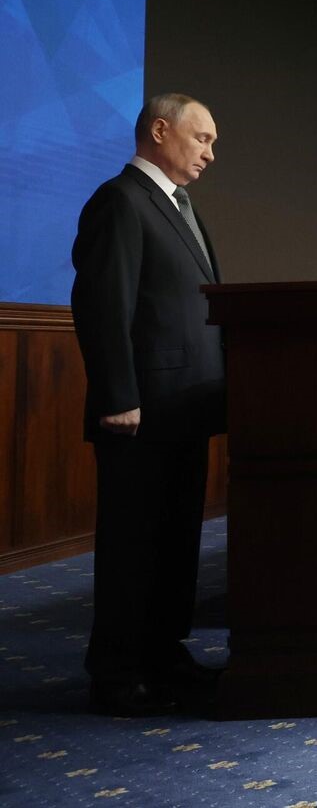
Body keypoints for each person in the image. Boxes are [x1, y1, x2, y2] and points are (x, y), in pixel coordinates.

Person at [70, 93, 226, 717]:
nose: (210, 153)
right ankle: (116, 674)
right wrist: (117, 396)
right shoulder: (121, 200)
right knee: (132, 546)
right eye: (202, 138)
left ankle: (163, 655)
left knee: (174, 542)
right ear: (161, 130)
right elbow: (103, 303)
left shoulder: (180, 205)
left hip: (184, 409)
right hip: (140, 412)